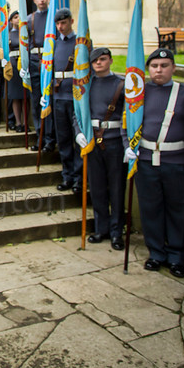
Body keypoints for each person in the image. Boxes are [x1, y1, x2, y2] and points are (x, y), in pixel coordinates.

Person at [127, 48, 184, 279]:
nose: (159, 70)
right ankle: (156, 252)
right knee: (150, 208)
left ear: (173, 68)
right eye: (154, 66)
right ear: (148, 69)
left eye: (164, 65)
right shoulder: (139, 92)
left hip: (178, 161)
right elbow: (126, 120)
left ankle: (177, 256)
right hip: (146, 160)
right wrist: (129, 146)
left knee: (179, 209)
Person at [73, 48, 126, 249]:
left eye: (103, 59)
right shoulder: (87, 85)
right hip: (92, 141)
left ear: (111, 60)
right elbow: (77, 112)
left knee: (116, 188)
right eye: (95, 61)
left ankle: (116, 232)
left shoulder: (121, 84)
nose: (98, 63)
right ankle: (101, 228)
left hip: (114, 141)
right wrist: (78, 132)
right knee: (96, 188)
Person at [47, 8, 82, 192]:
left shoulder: (80, 43)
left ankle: (79, 178)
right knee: (64, 138)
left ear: (72, 21)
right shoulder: (53, 44)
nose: (61, 27)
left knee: (77, 140)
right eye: (58, 24)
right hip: (58, 96)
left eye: (64, 23)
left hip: (76, 97)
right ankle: (67, 176)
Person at [27, 0, 56, 152]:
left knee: (50, 103)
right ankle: (41, 137)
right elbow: (27, 43)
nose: (42, 0)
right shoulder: (30, 18)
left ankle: (51, 139)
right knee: (37, 103)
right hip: (34, 64)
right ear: (34, 0)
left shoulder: (54, 17)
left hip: (50, 64)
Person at [6, 10, 25, 131]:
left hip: (24, 65)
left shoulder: (25, 33)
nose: (18, 19)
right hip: (13, 64)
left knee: (25, 96)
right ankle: (18, 122)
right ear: (11, 20)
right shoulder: (8, 34)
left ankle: (25, 122)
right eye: (15, 17)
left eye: (19, 17)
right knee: (15, 96)